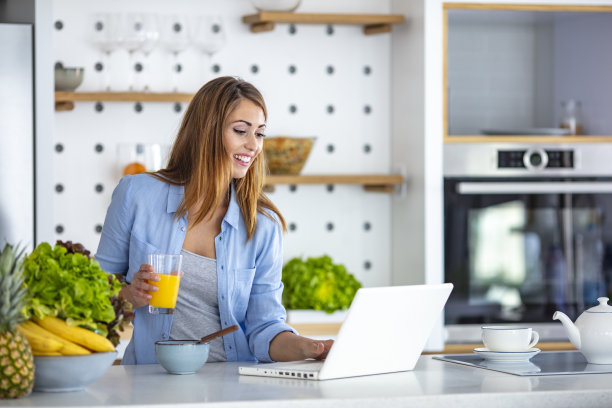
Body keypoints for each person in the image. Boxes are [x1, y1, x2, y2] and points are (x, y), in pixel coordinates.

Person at [96, 76, 333, 365]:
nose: (253, 145)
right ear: (206, 131)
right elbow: (95, 290)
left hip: (234, 385)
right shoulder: (137, 195)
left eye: (259, 134)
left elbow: (265, 328)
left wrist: (309, 347)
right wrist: (131, 294)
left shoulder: (262, 224)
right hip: (151, 381)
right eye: (240, 131)